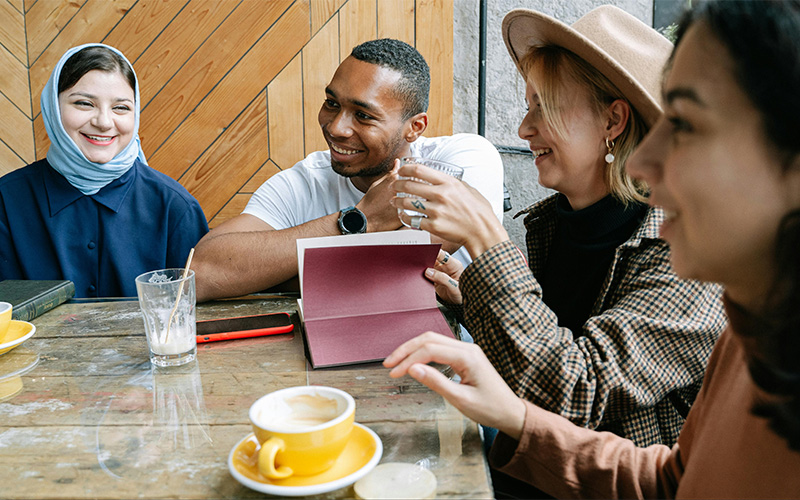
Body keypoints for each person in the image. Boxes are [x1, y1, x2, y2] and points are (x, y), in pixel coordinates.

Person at [385, 0, 800, 496]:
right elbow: (673, 482)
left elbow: (576, 391)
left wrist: (487, 241)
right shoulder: (749, 329)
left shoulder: (700, 269)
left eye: (686, 124)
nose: (647, 162)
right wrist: (477, 302)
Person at [192, 38, 504, 302]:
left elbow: (408, 269)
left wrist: (273, 274)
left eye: (363, 115)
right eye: (331, 103)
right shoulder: (301, 182)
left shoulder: (464, 157)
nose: (337, 128)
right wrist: (360, 220)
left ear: (414, 127)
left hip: (450, 364)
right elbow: (201, 273)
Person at [0, 44, 208, 298]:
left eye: (120, 107)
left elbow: (194, 315)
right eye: (84, 103)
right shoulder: (6, 201)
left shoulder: (174, 208)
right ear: (53, 108)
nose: (103, 122)